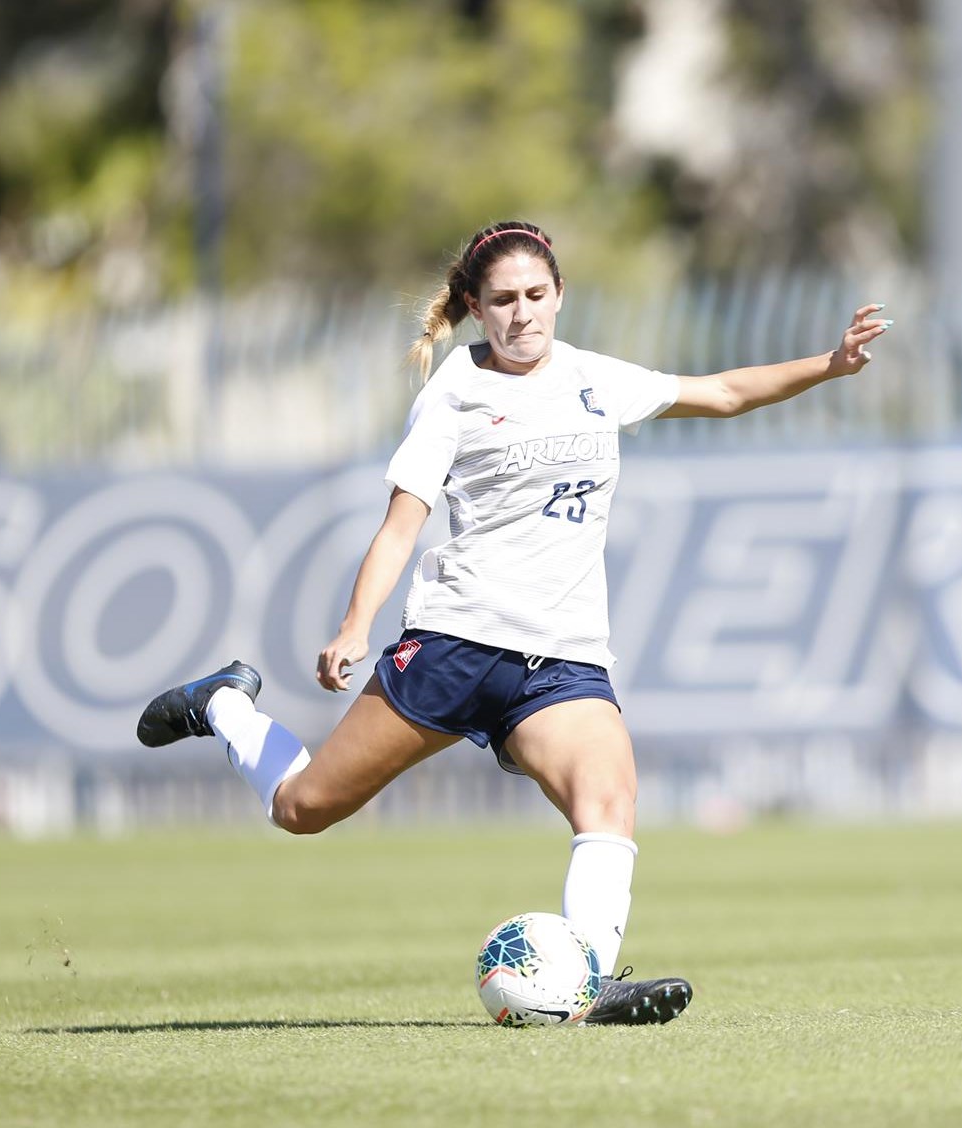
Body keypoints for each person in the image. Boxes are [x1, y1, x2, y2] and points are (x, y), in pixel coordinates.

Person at [136, 220, 891, 1025]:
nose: (522, 314)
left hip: (562, 659)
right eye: (502, 300)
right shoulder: (454, 396)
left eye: (536, 295)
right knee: (304, 808)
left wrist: (830, 364)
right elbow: (401, 524)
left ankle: (588, 981)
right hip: (457, 643)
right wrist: (357, 625)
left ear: (560, 294)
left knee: (609, 802)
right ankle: (223, 704)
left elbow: (726, 393)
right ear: (473, 306)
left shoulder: (595, 379)